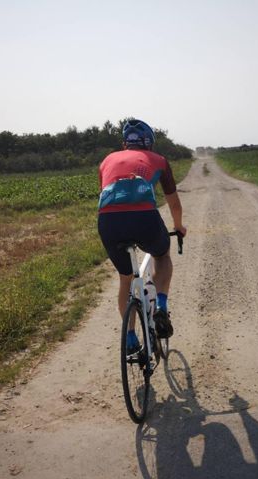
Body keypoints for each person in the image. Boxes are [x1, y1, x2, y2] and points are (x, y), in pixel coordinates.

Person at [97, 119, 186, 353]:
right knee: (162, 255)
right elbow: (174, 204)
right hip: (144, 219)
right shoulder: (159, 160)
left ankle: (130, 338)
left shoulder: (106, 160)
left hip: (108, 222)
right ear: (149, 143)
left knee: (125, 279)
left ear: (124, 143)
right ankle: (161, 307)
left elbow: (106, 195)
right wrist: (178, 226)